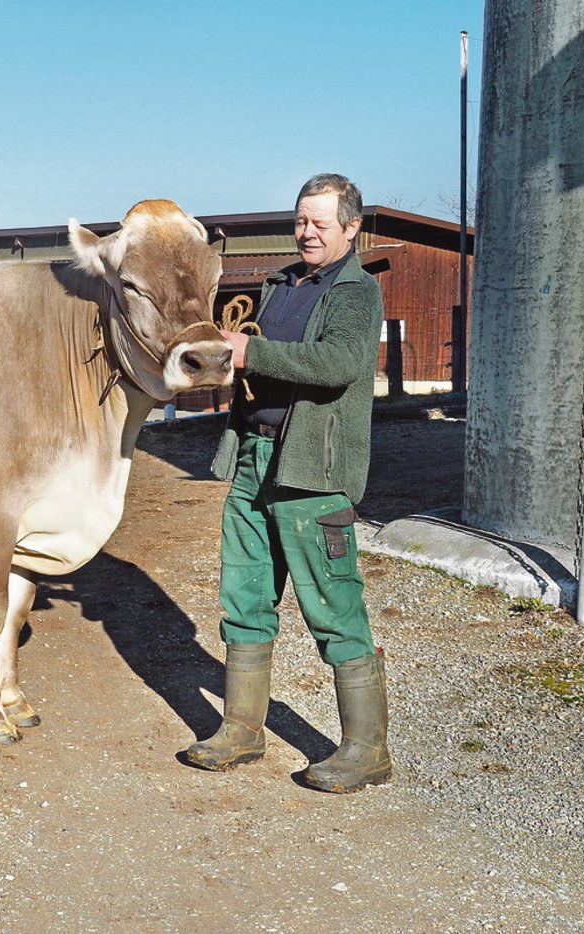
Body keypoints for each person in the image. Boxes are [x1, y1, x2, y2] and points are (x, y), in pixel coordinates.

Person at [185, 173, 390, 793]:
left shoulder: (357, 293)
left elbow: (337, 366)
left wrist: (251, 355)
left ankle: (366, 749)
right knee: (244, 599)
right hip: (253, 459)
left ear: (351, 229)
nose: (306, 232)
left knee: (333, 605)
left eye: (320, 224)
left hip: (312, 473)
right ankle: (242, 730)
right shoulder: (279, 285)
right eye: (301, 221)